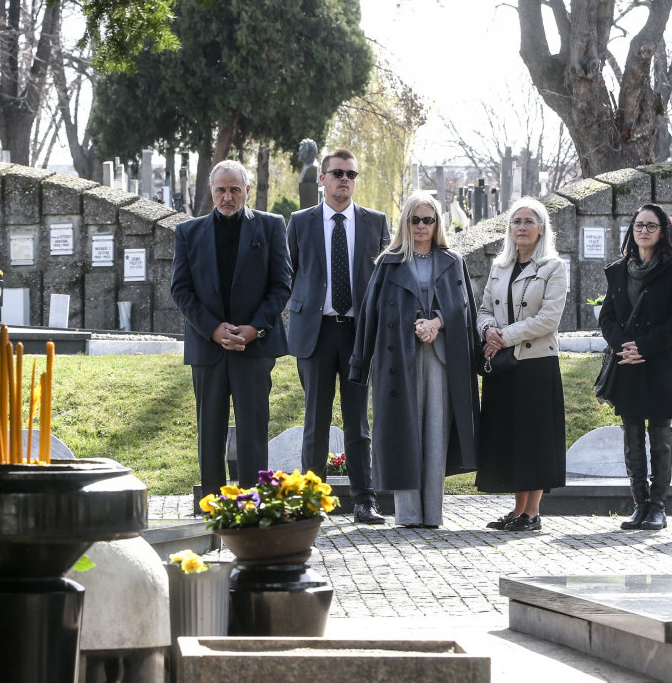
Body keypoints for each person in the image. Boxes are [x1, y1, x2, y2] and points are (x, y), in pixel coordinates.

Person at [349, 191, 480, 528]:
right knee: (403, 432)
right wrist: (360, 365)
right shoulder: (388, 262)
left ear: (437, 224)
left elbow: (464, 307)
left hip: (440, 356)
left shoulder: (453, 260)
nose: (422, 226)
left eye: (428, 220)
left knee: (435, 431)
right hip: (398, 357)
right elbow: (370, 315)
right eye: (415, 219)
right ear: (405, 223)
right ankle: (407, 514)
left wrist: (437, 322)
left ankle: (432, 513)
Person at [170, 160, 291, 492]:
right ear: (211, 191)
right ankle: (213, 508)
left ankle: (252, 505)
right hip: (208, 348)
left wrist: (255, 328)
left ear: (247, 191)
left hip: (254, 347)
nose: (227, 197)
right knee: (210, 434)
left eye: (234, 190)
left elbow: (281, 285)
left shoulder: (270, 226)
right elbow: (181, 289)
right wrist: (212, 329)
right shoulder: (188, 232)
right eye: (221, 190)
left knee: (253, 432)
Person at [285, 148, 389, 524]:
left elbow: (386, 282)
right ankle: (311, 502)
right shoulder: (300, 222)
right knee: (315, 420)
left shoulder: (375, 223)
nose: (345, 179)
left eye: (351, 173)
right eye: (338, 173)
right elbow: (288, 274)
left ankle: (365, 501)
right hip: (315, 333)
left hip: (358, 334)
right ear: (322, 179)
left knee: (358, 422)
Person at [475, 198, 567, 531]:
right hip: (502, 365)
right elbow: (483, 309)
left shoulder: (554, 267)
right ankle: (516, 511)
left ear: (542, 228)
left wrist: (505, 335)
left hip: (536, 364)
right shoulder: (499, 266)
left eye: (529, 221)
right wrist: (488, 330)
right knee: (510, 438)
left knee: (533, 440)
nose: (522, 227)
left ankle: (533, 513)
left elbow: (548, 319)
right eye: (516, 221)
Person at [599, 203, 672, 531]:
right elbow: (607, 316)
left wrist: (644, 347)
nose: (644, 231)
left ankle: (658, 507)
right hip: (628, 363)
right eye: (639, 225)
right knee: (632, 434)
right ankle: (639, 504)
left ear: (663, 230)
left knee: (660, 434)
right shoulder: (618, 270)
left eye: (651, 226)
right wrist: (625, 346)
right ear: (631, 229)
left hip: (660, 362)